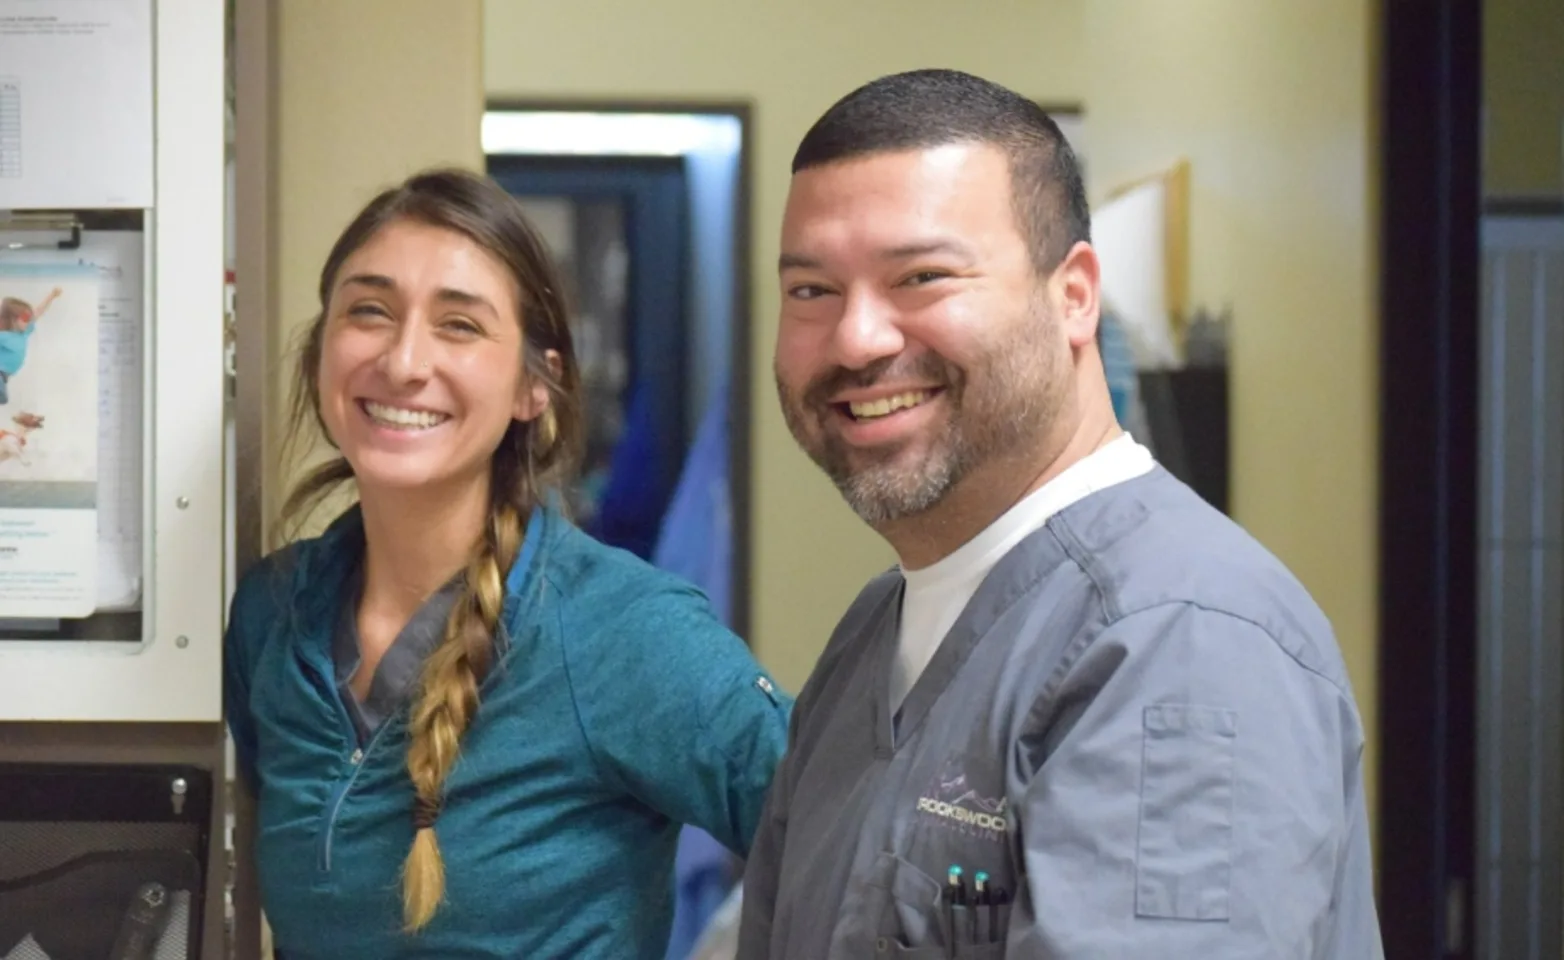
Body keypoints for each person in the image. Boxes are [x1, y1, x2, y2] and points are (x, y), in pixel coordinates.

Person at [738, 69, 1383, 958]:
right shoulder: (873, 637)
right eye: (812, 291)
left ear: (1074, 294)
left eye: (922, 277)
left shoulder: (1178, 644)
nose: (857, 339)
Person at [224, 168, 792, 959]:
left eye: (459, 325)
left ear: (536, 386)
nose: (404, 359)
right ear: (322, 348)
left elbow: (848, 846)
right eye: (369, 311)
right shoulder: (272, 614)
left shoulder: (627, 631)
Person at [0, 286, 61, 405]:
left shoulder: (24, 333)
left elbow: (39, 311)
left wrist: (51, 296)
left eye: (28, 318)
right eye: (24, 318)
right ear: (12, 319)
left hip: (4, 377)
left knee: (3, 399)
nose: (28, 320)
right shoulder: (4, 336)